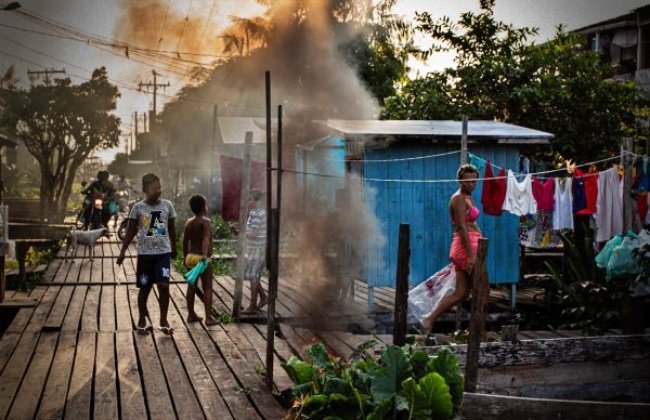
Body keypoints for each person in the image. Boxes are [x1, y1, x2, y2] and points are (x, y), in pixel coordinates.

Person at [421, 164, 481, 332]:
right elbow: (462, 227)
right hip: (465, 248)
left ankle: (429, 318)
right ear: (460, 180)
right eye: (467, 181)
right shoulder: (458, 198)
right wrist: (470, 255)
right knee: (482, 286)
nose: (471, 184)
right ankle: (479, 331)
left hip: (471, 246)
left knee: (460, 292)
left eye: (474, 181)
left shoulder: (468, 196)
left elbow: (471, 223)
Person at [117, 173, 177, 334]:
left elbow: (171, 228)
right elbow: (130, 231)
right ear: (145, 190)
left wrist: (174, 247)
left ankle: (163, 320)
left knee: (164, 286)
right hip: (145, 255)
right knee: (145, 288)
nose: (157, 191)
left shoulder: (167, 205)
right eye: (153, 189)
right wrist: (122, 251)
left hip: (163, 253)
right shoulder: (137, 207)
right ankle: (142, 320)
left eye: (159, 188)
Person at [183, 194, 220, 326]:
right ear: (204, 207)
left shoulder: (189, 222)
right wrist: (205, 255)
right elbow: (206, 238)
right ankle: (208, 318)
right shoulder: (205, 222)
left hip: (191, 257)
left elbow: (185, 241)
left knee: (191, 287)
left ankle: (191, 314)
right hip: (202, 259)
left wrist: (184, 257)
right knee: (207, 287)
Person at [241, 190, 268, 314]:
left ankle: (252, 306)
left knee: (253, 276)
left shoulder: (258, 214)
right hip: (254, 248)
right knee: (254, 275)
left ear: (257, 201)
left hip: (258, 248)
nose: (248, 202)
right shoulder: (254, 212)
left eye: (250, 199)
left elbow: (254, 234)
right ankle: (263, 298)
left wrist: (240, 233)